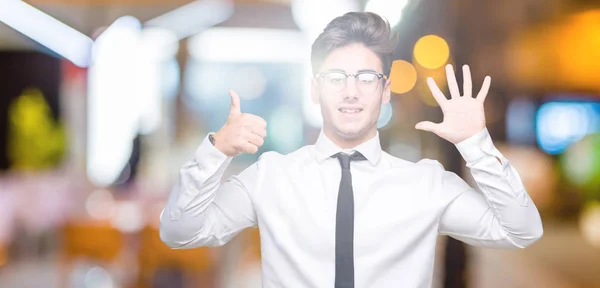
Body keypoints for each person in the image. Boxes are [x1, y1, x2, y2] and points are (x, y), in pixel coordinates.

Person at [159, 12, 543, 288]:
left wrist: (476, 144)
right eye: (335, 77)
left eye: (366, 77)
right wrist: (214, 151)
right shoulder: (271, 177)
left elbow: (521, 230)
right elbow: (179, 232)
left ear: (386, 89)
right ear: (314, 89)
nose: (350, 90)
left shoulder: (426, 184)